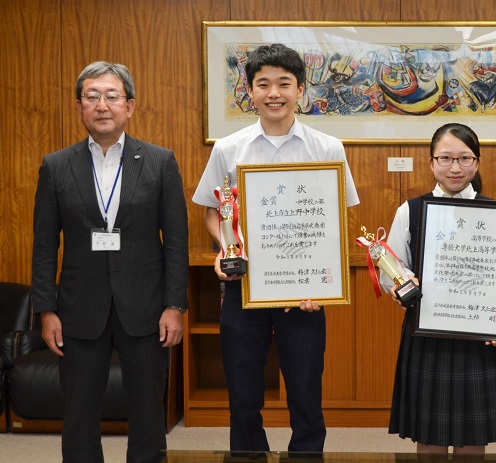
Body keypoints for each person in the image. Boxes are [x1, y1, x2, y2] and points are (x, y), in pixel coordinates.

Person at [192, 43, 360, 452]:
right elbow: (212, 212)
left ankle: (307, 455)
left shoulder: (327, 148)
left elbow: (337, 219)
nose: (274, 93)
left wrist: (322, 282)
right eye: (263, 84)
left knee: (305, 390)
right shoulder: (229, 149)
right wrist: (226, 246)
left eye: (284, 83)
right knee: (243, 391)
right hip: (244, 287)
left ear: (300, 89)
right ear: (250, 91)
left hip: (304, 291)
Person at [31, 61, 189, 463]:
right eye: (92, 96)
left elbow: (176, 241)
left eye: (112, 96)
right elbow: (45, 246)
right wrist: (45, 310)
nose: (102, 105)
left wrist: (175, 305)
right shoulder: (56, 166)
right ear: (80, 106)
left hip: (147, 307)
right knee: (80, 413)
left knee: (148, 413)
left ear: (130, 106)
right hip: (79, 309)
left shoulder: (159, 161)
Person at [380, 122, 496, 454]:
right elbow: (390, 268)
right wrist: (402, 284)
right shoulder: (411, 210)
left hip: (480, 336)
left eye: (464, 158)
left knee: (474, 440)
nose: (455, 167)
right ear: (431, 162)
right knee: (428, 438)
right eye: (445, 158)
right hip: (427, 336)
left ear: (476, 162)